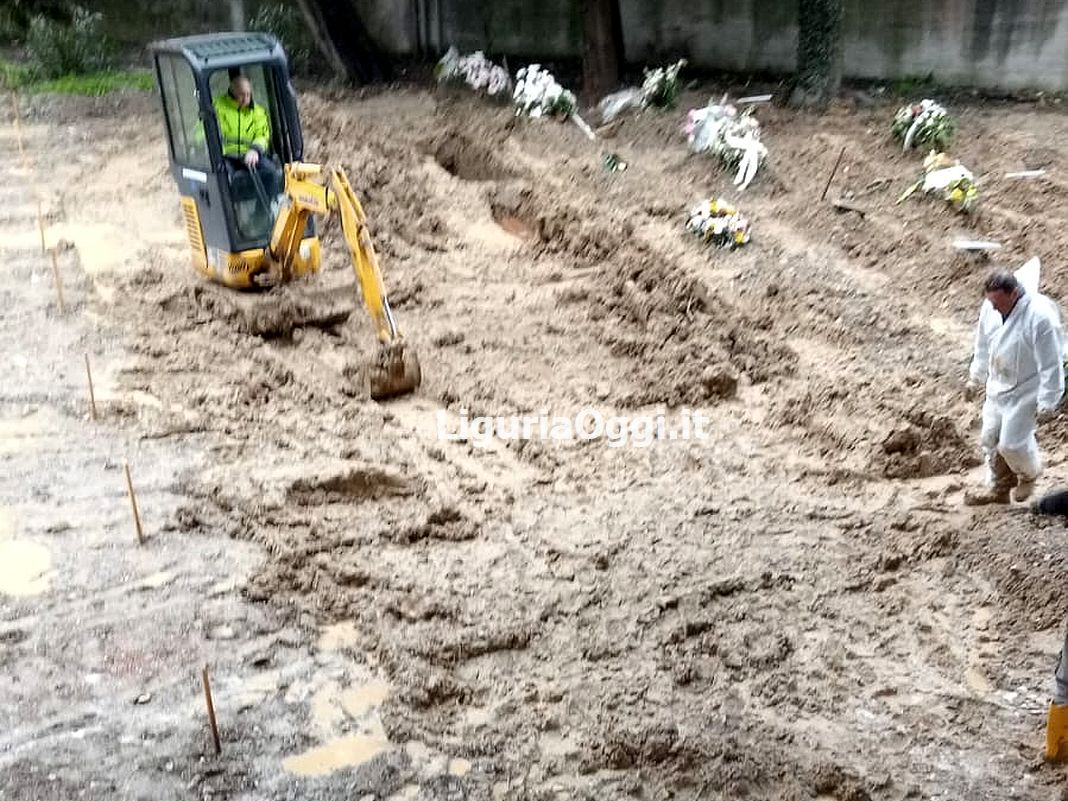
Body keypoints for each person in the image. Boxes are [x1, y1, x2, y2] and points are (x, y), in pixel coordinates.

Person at [963, 269, 1064, 505]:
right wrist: (974, 377)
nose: (994, 308)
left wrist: (1049, 401)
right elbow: (982, 345)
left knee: (1011, 443)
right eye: (991, 302)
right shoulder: (991, 308)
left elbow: (1051, 363)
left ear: (1014, 293)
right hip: (997, 385)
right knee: (989, 437)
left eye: (998, 302)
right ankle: (1000, 490)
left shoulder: (1039, 318)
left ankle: (1029, 474)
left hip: (1026, 389)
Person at [212, 74, 283, 221]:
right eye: (242, 95)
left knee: (270, 173)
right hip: (227, 156)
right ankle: (231, 220)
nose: (246, 99)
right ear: (232, 94)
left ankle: (260, 216)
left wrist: (255, 150)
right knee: (222, 179)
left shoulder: (257, 112)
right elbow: (202, 131)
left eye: (248, 94)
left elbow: (263, 134)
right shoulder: (217, 108)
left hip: (250, 155)